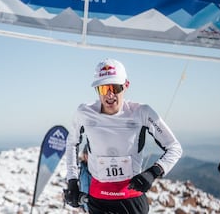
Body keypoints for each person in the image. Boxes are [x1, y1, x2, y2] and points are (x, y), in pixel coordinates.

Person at [65, 58, 182, 213]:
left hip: (131, 199)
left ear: (126, 85)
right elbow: (72, 143)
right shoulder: (84, 113)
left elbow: (174, 147)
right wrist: (72, 180)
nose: (109, 94)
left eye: (115, 87)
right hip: (98, 199)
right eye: (103, 88)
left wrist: (153, 172)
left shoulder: (142, 112)